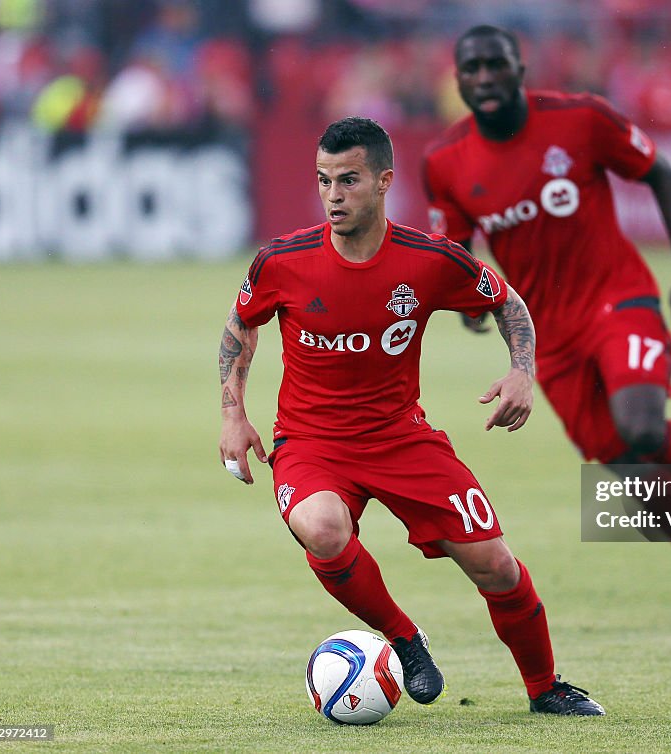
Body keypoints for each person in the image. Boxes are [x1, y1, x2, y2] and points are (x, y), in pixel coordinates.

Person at [217, 116, 605, 716]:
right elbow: (242, 323)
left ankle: (545, 687)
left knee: (496, 567)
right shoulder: (283, 261)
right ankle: (405, 639)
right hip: (311, 443)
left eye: (348, 180)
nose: (333, 195)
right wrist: (233, 414)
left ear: (383, 181)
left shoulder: (427, 261)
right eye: (323, 181)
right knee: (321, 529)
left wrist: (521, 371)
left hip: (401, 438)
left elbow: (508, 303)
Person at [422, 25, 671, 622]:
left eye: (496, 64)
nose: (484, 77)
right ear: (457, 78)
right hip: (549, 337)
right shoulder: (444, 162)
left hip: (620, 300)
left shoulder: (581, 119)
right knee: (640, 488)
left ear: (520, 67)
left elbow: (661, 175)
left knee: (641, 426)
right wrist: (468, 303)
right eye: (472, 68)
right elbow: (454, 249)